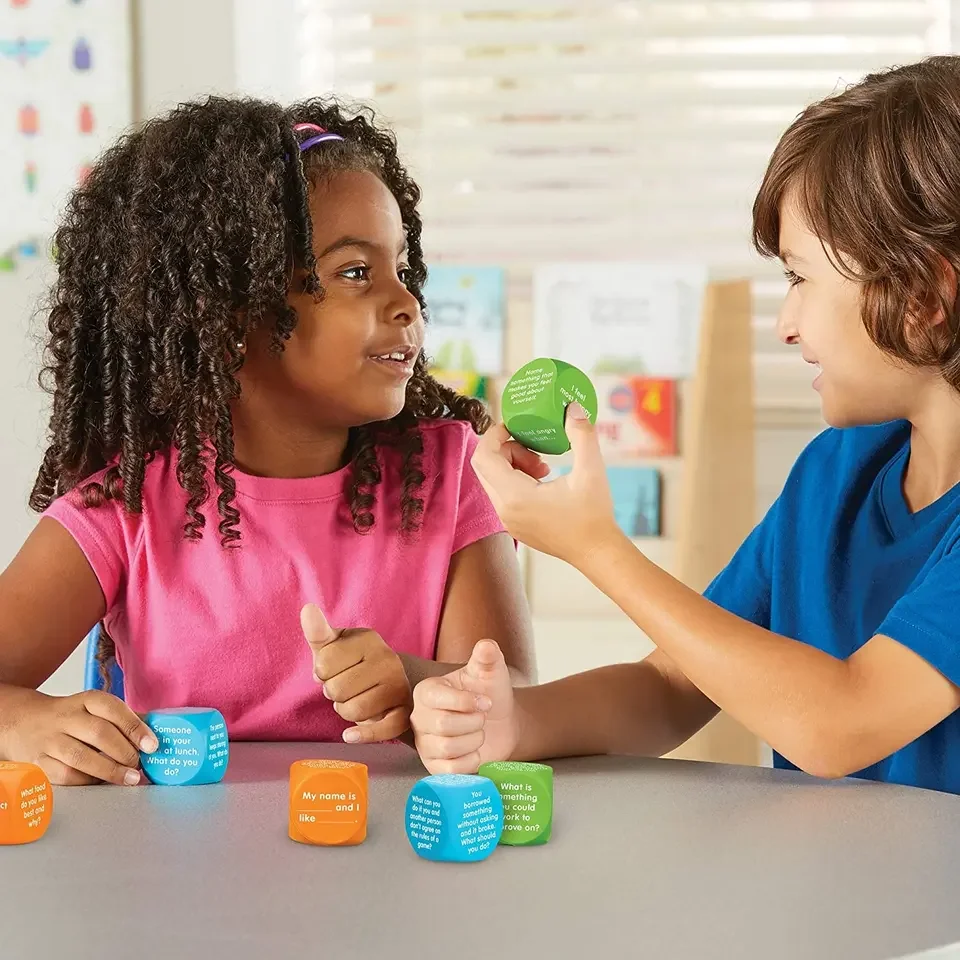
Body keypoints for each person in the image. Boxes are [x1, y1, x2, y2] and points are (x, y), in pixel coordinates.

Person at [410, 56, 960, 795]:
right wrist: (518, 723)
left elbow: (843, 721)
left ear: (926, 295)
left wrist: (598, 550)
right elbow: (676, 683)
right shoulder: (836, 470)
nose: (785, 324)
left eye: (801, 279)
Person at [0, 96, 534, 787]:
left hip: (396, 868)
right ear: (227, 314)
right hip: (175, 876)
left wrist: (414, 681)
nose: (407, 304)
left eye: (402, 270)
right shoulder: (126, 503)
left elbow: (514, 693)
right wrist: (20, 722)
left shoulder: (449, 475)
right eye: (354, 273)